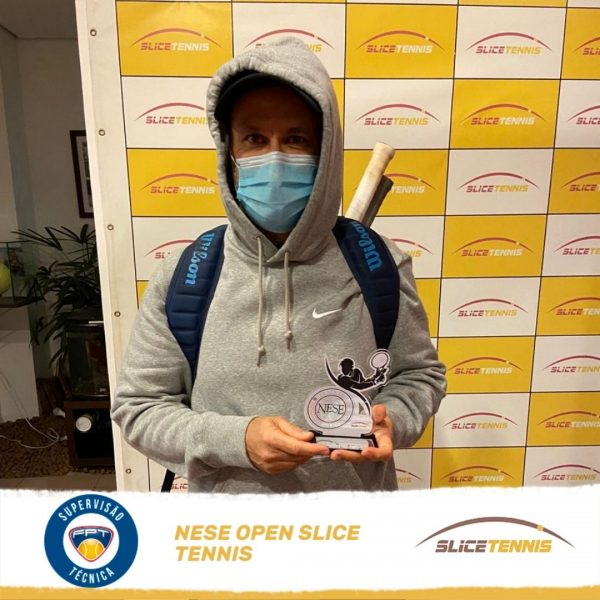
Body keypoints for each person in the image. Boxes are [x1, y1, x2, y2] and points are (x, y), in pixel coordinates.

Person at [111, 37, 446, 493]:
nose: (275, 157)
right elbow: (139, 408)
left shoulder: (378, 263)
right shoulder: (185, 276)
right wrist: (237, 440)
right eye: (254, 139)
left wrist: (395, 420)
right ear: (229, 153)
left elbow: (419, 376)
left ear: (325, 153)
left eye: (295, 139)